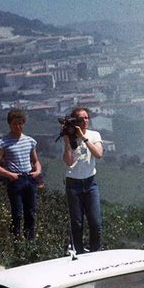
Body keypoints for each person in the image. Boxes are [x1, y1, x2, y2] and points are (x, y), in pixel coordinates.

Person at [0, 108, 42, 241]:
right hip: (15, 180)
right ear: (10, 124)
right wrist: (9, 175)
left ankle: (30, 242)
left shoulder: (30, 141)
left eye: (20, 123)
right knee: (17, 213)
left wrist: (37, 171)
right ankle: (16, 242)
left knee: (30, 212)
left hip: (29, 178)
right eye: (15, 123)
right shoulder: (3, 143)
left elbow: (36, 161)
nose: (18, 126)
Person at [62, 106, 104, 253]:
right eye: (80, 119)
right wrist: (67, 141)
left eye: (86, 118)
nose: (84, 121)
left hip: (90, 182)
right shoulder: (71, 136)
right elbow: (68, 161)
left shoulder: (94, 135)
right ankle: (78, 252)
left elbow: (98, 154)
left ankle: (96, 251)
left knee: (95, 222)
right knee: (77, 222)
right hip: (73, 183)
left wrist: (84, 137)